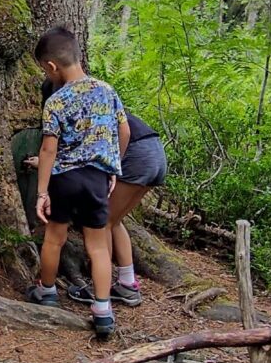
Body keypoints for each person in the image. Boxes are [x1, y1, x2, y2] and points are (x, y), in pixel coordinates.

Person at [26, 27, 130, 339]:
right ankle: (103, 311)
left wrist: (42, 191)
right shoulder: (106, 91)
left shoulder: (56, 102)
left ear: (50, 67)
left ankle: (47, 291)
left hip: (64, 178)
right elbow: (124, 133)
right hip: (97, 178)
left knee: (54, 238)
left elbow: (48, 149)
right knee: (98, 247)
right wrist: (113, 167)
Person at [28, 82, 167, 307]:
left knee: (102, 225)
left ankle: (98, 290)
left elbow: (74, 153)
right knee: (114, 221)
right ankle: (127, 283)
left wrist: (44, 165)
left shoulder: (68, 105)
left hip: (136, 154)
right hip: (155, 152)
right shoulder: (98, 97)